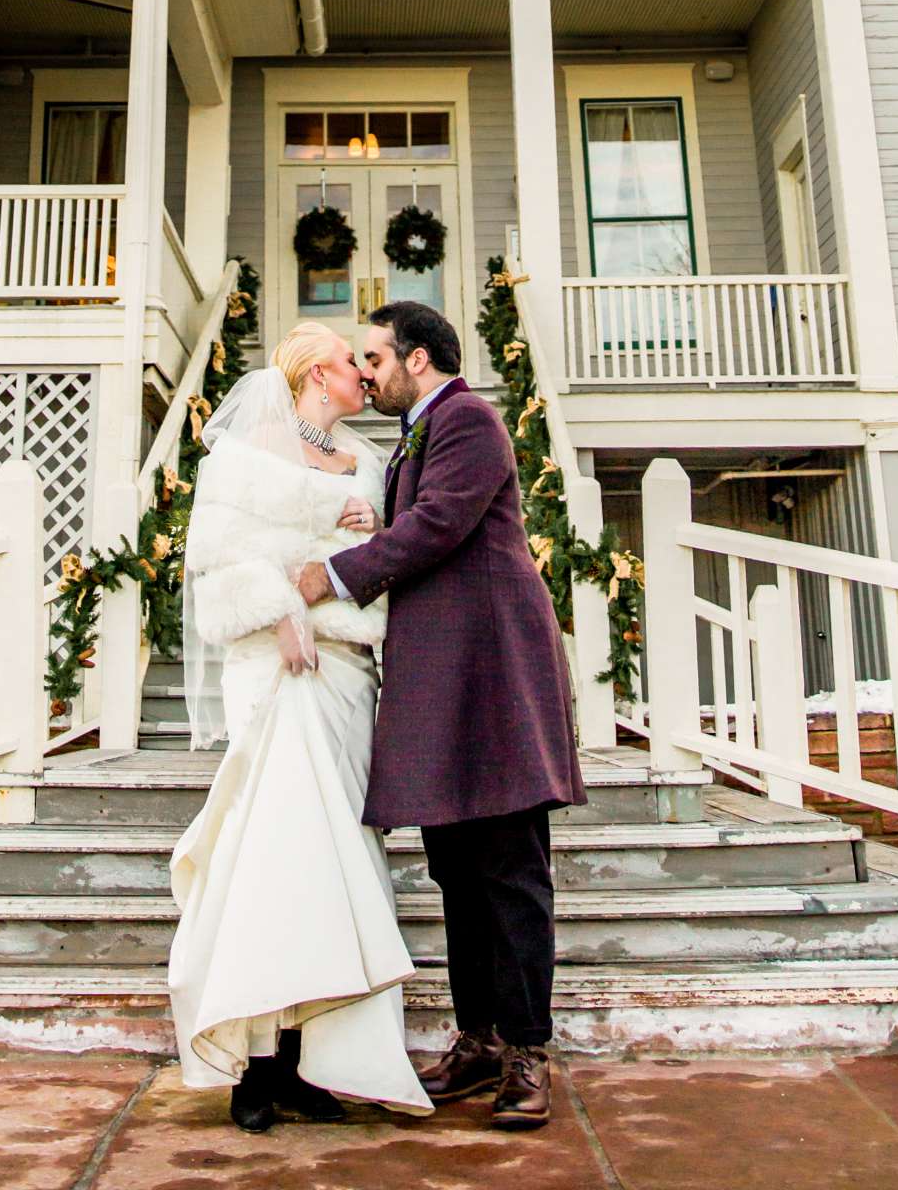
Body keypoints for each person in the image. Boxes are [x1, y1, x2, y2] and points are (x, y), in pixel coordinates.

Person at [297, 299, 586, 1133]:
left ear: (417, 358)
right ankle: (480, 1040)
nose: (366, 371)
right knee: (456, 872)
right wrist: (370, 518)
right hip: (439, 680)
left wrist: (337, 572)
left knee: (509, 874)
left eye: (375, 357)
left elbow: (442, 526)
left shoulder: (469, 420)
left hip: (492, 678)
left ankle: (528, 1052)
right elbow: (419, 523)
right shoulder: (416, 434)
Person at [167, 322, 432, 1132]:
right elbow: (216, 564)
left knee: (338, 860)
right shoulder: (246, 453)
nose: (366, 373)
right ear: (320, 371)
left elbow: (385, 557)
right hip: (276, 670)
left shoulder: (372, 462)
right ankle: (252, 1064)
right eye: (355, 362)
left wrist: (362, 542)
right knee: (269, 856)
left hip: (347, 673)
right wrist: (283, 609)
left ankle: (307, 1061)